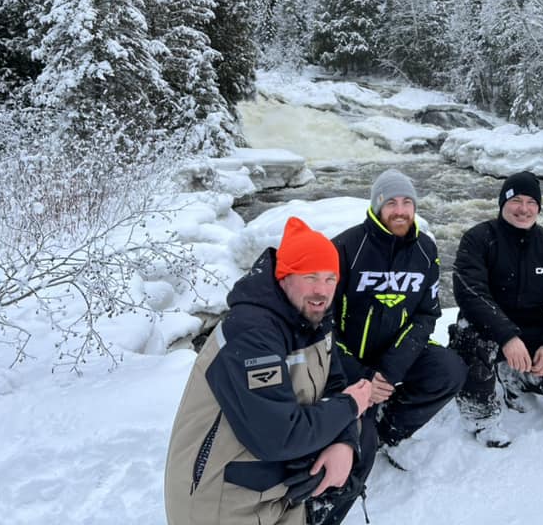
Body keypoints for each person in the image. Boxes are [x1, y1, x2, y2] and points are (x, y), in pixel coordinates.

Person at [164, 216, 375, 525]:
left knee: (364, 438)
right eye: (310, 276)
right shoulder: (252, 334)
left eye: (330, 279)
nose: (322, 290)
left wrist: (343, 441)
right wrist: (351, 406)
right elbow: (278, 435)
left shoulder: (313, 315)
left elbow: (335, 382)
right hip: (222, 499)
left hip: (276, 488)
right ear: (283, 276)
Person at [449, 171, 543, 448]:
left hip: (533, 327)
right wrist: (507, 337)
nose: (524, 209)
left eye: (531, 202)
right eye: (516, 200)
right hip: (484, 327)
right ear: (502, 203)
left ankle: (520, 377)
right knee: (473, 344)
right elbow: (471, 294)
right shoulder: (478, 239)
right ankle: (480, 416)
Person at [331, 169, 466, 469]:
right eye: (391, 203)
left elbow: (426, 314)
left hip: (394, 353)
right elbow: (320, 323)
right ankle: (359, 422)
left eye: (407, 202)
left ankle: (389, 429)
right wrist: (361, 375)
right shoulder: (345, 248)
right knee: (355, 455)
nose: (400, 211)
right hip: (346, 356)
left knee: (450, 369)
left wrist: (389, 371)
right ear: (377, 206)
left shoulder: (425, 249)